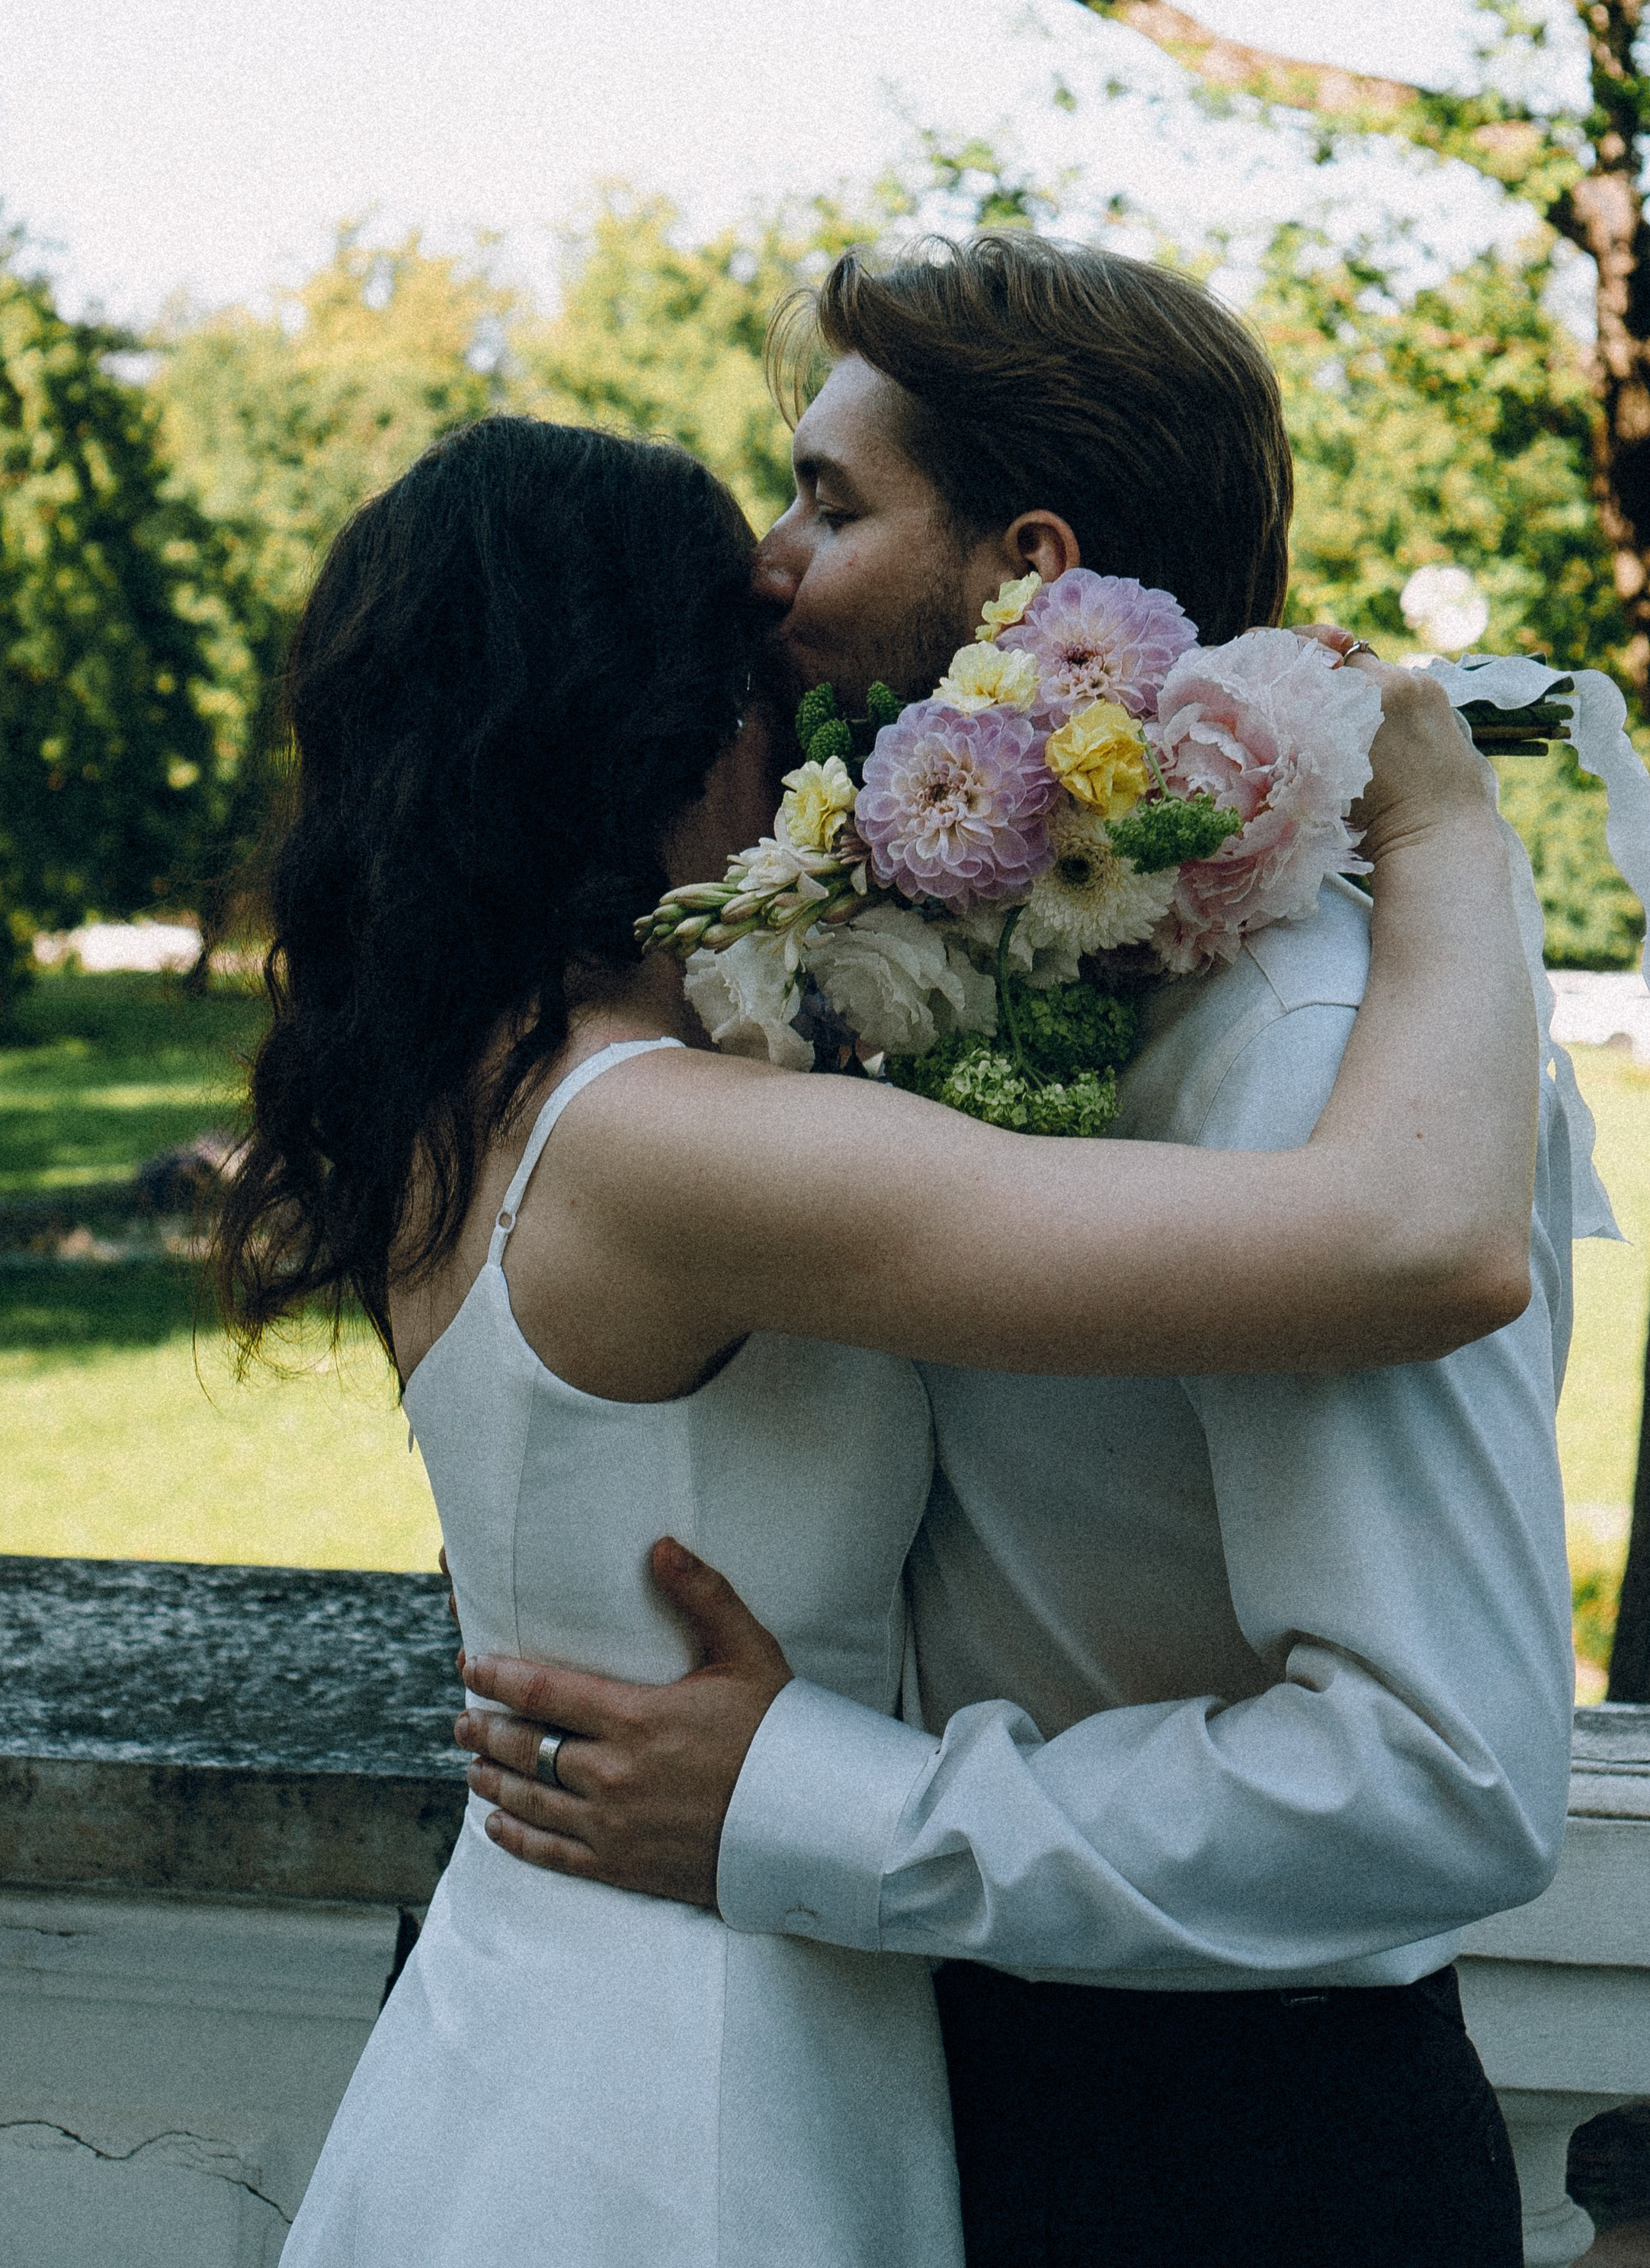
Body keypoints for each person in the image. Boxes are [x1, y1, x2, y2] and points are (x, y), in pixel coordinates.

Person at [224, 406, 1539, 2268]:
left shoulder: (485, 1085)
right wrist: (1437, 822)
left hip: (563, 1973)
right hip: (699, 2052)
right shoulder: (665, 1144)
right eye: (746, 666)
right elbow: (1418, 1240)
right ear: (667, 716)